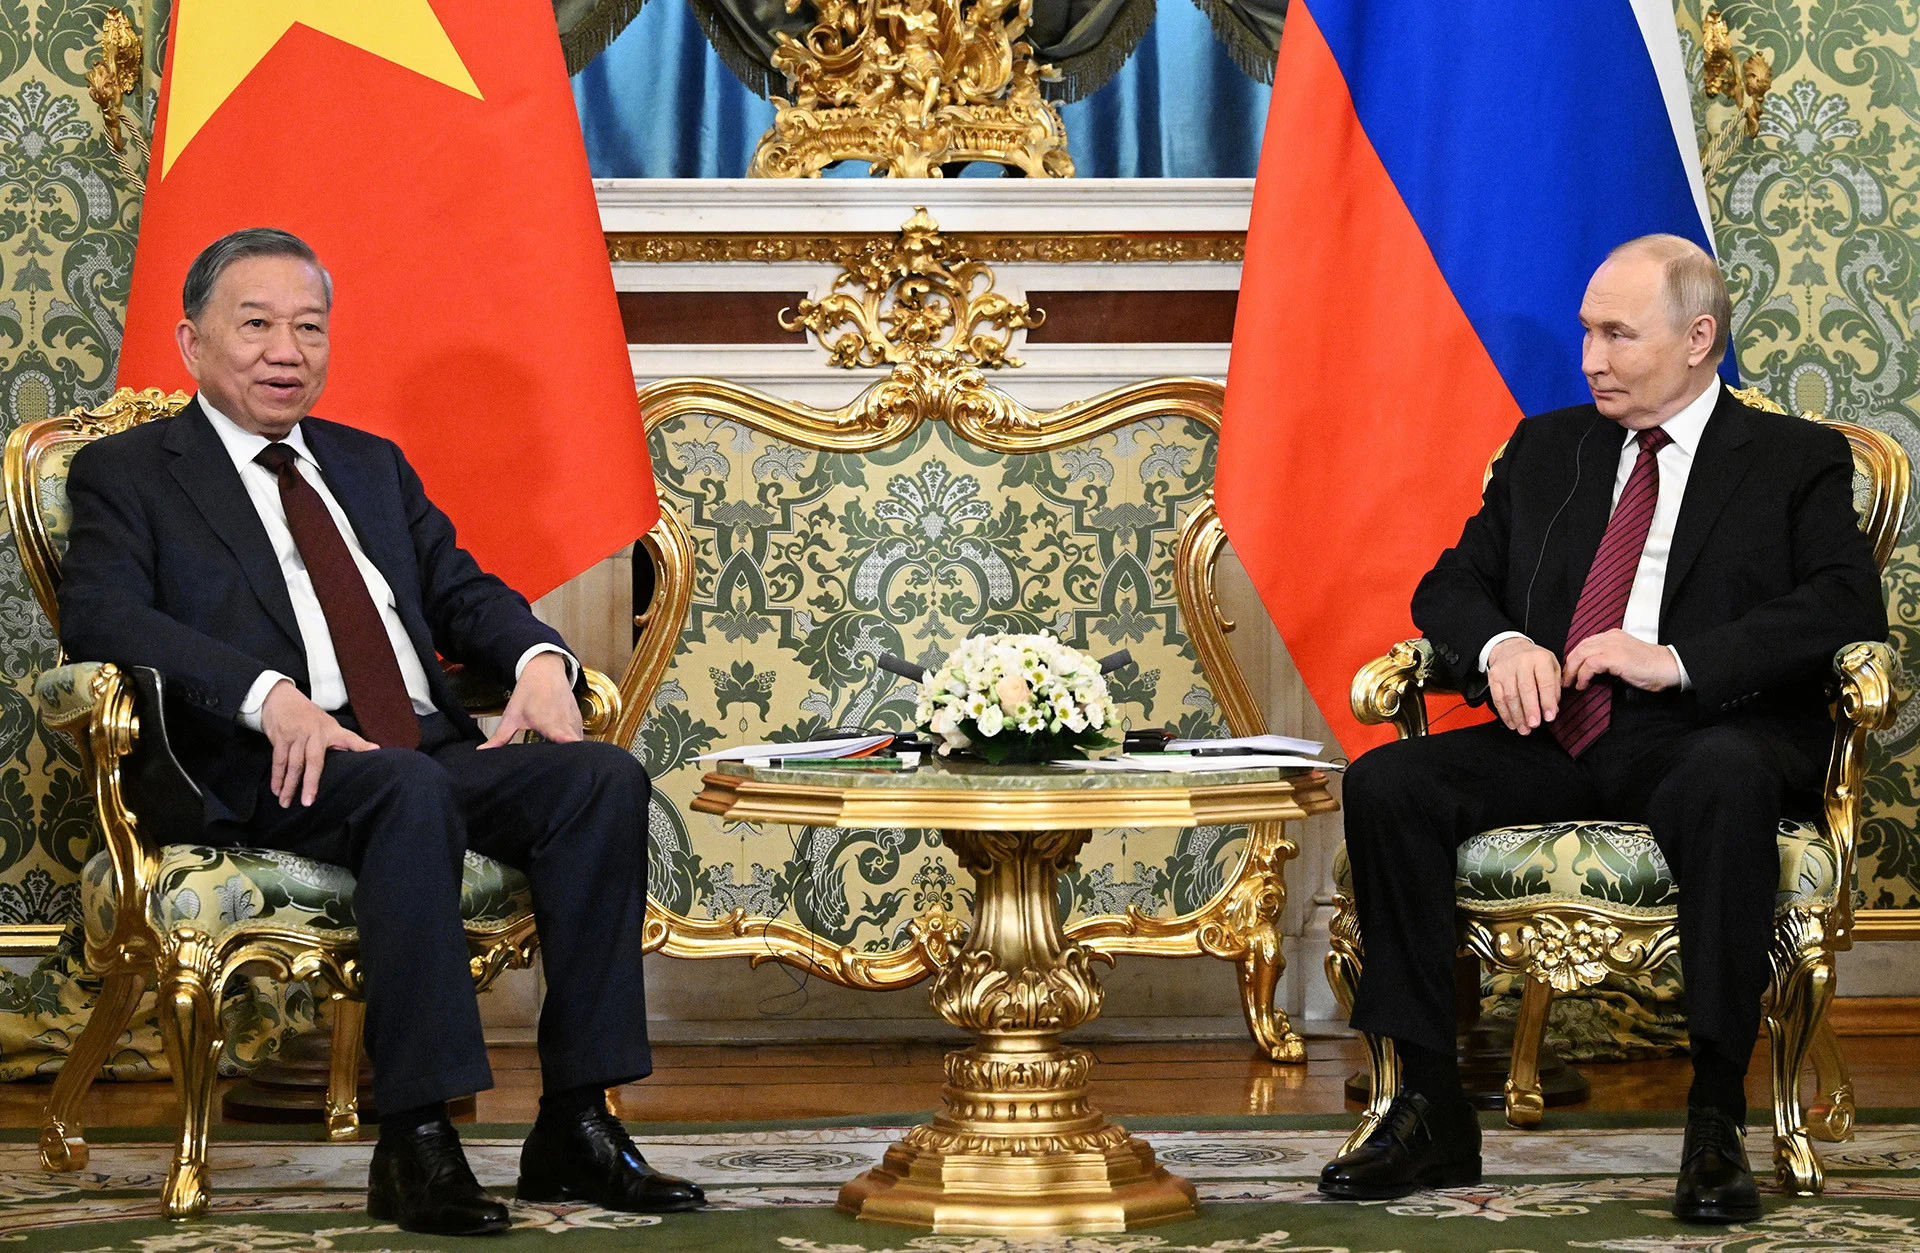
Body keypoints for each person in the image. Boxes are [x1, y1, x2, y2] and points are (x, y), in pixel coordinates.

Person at [59, 228, 703, 1236]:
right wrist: (265, 692)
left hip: (417, 750)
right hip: (271, 762)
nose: (287, 351)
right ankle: (417, 1141)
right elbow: (101, 615)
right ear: (191, 342)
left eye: (309, 328)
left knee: (597, 779)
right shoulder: (131, 471)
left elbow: (461, 591)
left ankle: (577, 1123)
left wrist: (540, 659)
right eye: (256, 325)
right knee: (408, 787)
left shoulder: (368, 464)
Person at [1319, 235, 1887, 1223]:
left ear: (1698, 338)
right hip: (1556, 731)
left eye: (1618, 335)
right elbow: (1449, 584)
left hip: (1701, 731)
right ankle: (1428, 1105)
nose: (1591, 358)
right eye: (1587, 332)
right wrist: (1502, 644)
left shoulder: (1792, 458)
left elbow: (1844, 604)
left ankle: (1715, 1118)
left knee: (1726, 776)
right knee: (1387, 782)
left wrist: (1675, 659)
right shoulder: (1550, 447)